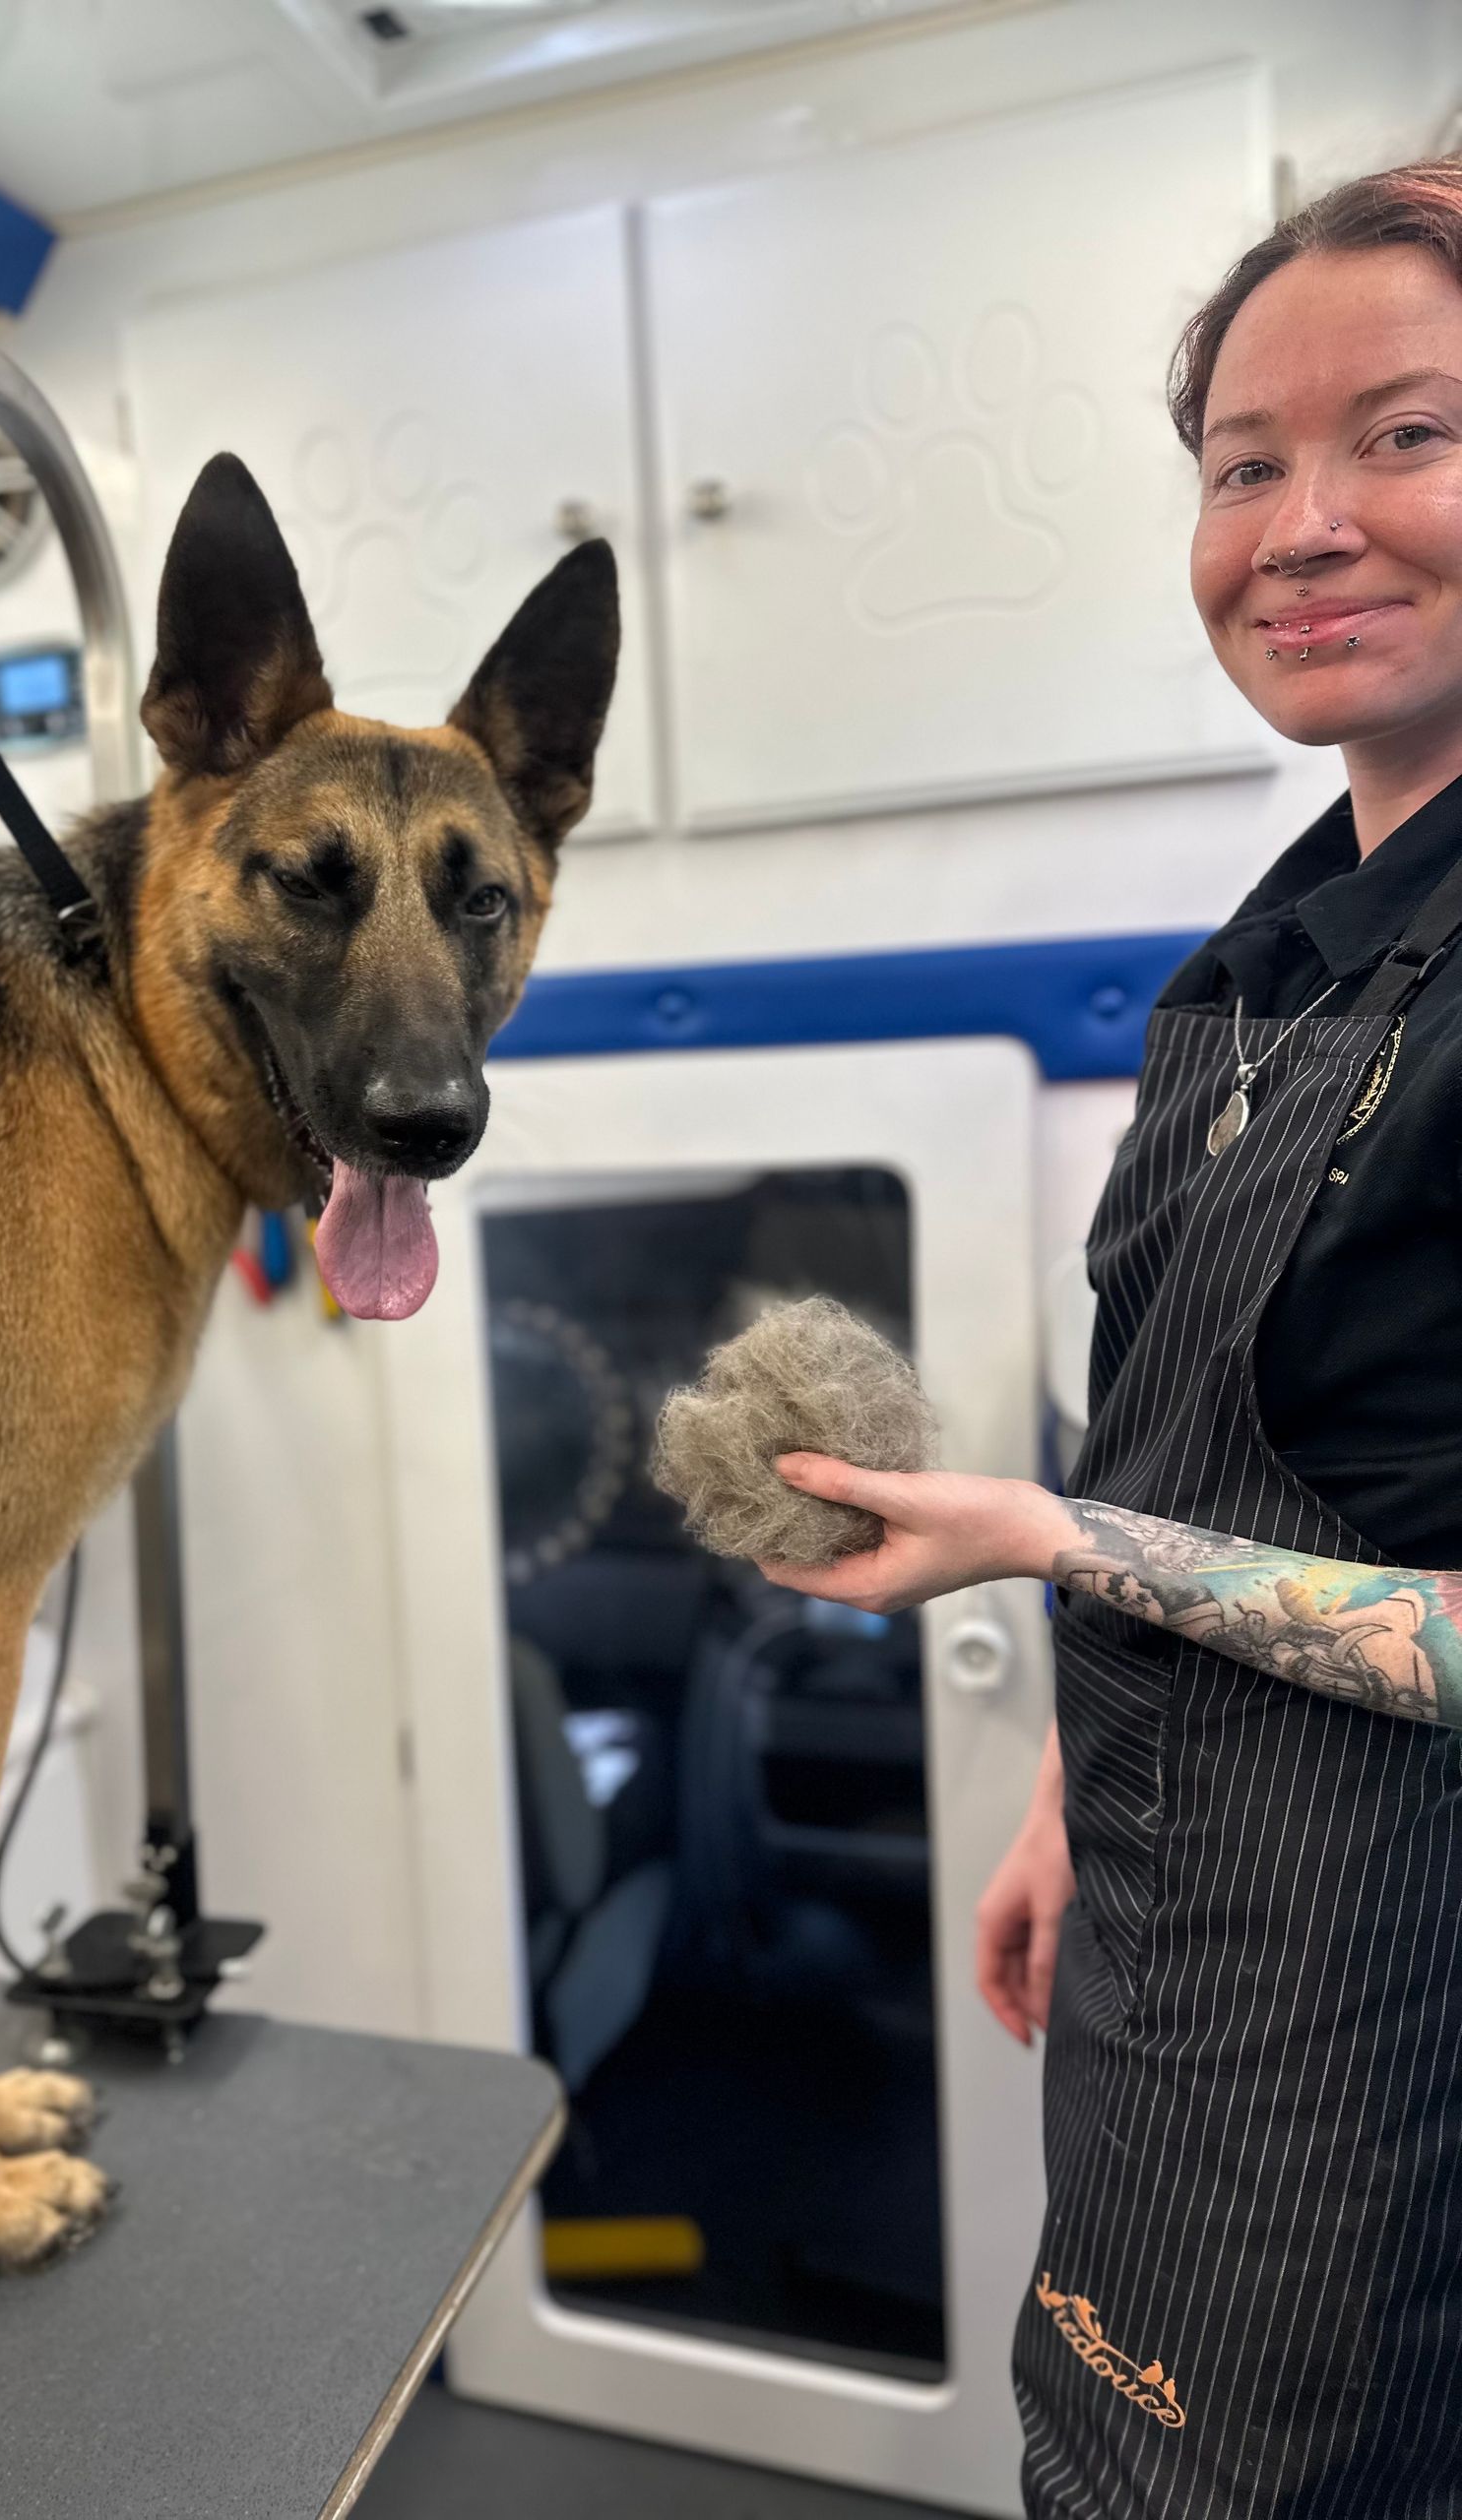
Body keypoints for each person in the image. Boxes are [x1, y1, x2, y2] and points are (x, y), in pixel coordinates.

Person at [764, 161, 1462, 2517]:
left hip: (1393, 2053)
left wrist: (1040, 1537)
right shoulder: (1245, 987)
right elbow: (1211, 1461)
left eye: (1407, 436)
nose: (1306, 524)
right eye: (1244, 463)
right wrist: (1077, 1797)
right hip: (1175, 1982)